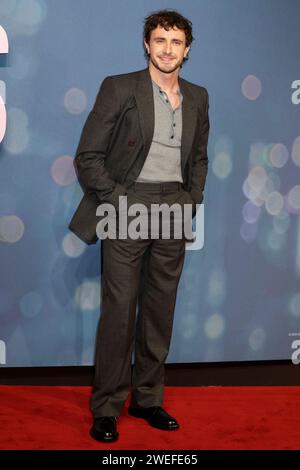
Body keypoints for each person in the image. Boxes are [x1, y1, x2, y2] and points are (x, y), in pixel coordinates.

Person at [69, 9, 210, 442]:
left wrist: (190, 201)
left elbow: (199, 158)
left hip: (174, 207)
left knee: (159, 311)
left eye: (176, 42)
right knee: (118, 313)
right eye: (160, 40)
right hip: (127, 205)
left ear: (188, 49)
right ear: (147, 45)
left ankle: (147, 399)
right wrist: (119, 201)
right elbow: (87, 156)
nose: (168, 49)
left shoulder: (199, 96)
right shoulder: (120, 87)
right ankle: (107, 406)